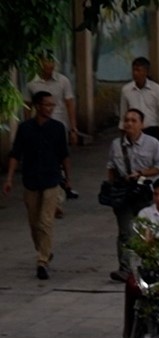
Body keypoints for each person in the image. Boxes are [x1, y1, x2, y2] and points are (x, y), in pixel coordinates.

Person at [5, 90, 72, 280]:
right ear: (37, 106)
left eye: (52, 105)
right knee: (34, 224)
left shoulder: (58, 128)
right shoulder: (25, 128)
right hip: (31, 180)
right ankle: (44, 249)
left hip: (52, 179)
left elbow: (64, 155)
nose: (50, 108)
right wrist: (9, 179)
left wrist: (68, 179)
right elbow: (15, 154)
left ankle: (42, 261)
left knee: (45, 221)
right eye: (47, 105)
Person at [106, 108, 159, 283]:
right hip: (124, 193)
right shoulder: (116, 145)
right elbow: (110, 166)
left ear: (142, 124)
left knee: (146, 229)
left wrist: (142, 173)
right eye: (127, 120)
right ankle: (125, 269)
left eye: (134, 120)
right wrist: (112, 188)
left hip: (144, 192)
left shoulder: (153, 144)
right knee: (125, 232)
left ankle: (150, 265)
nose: (129, 124)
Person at [27, 53, 79, 145]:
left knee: (60, 155)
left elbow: (70, 104)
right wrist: (27, 127)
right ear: (40, 63)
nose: (51, 65)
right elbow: (27, 106)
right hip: (39, 126)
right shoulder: (32, 83)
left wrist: (73, 129)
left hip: (59, 124)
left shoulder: (63, 81)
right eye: (47, 61)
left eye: (52, 62)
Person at [119, 58, 159, 142]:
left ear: (146, 72)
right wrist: (123, 135)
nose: (135, 73)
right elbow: (123, 114)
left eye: (138, 70)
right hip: (134, 131)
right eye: (134, 70)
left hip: (152, 130)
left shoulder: (157, 89)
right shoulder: (126, 90)